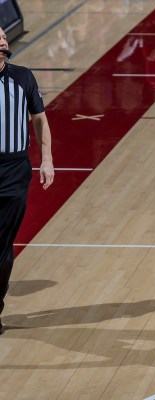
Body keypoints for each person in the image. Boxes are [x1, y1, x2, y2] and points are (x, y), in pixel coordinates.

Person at [0, 28, 55, 334]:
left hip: (13, 169)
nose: (4, 42)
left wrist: (47, 159)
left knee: (3, 244)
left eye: (5, 37)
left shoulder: (23, 78)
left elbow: (40, 119)